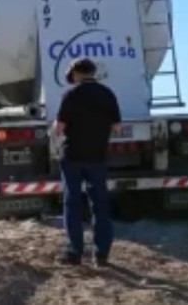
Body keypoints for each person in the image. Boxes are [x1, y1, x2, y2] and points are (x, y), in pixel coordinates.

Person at [53, 57, 122, 267]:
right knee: (100, 204)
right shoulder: (107, 94)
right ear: (93, 72)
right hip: (97, 157)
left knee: (72, 203)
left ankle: (75, 252)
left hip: (72, 156)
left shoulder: (71, 94)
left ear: (75, 73)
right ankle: (101, 255)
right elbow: (117, 128)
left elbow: (59, 128)